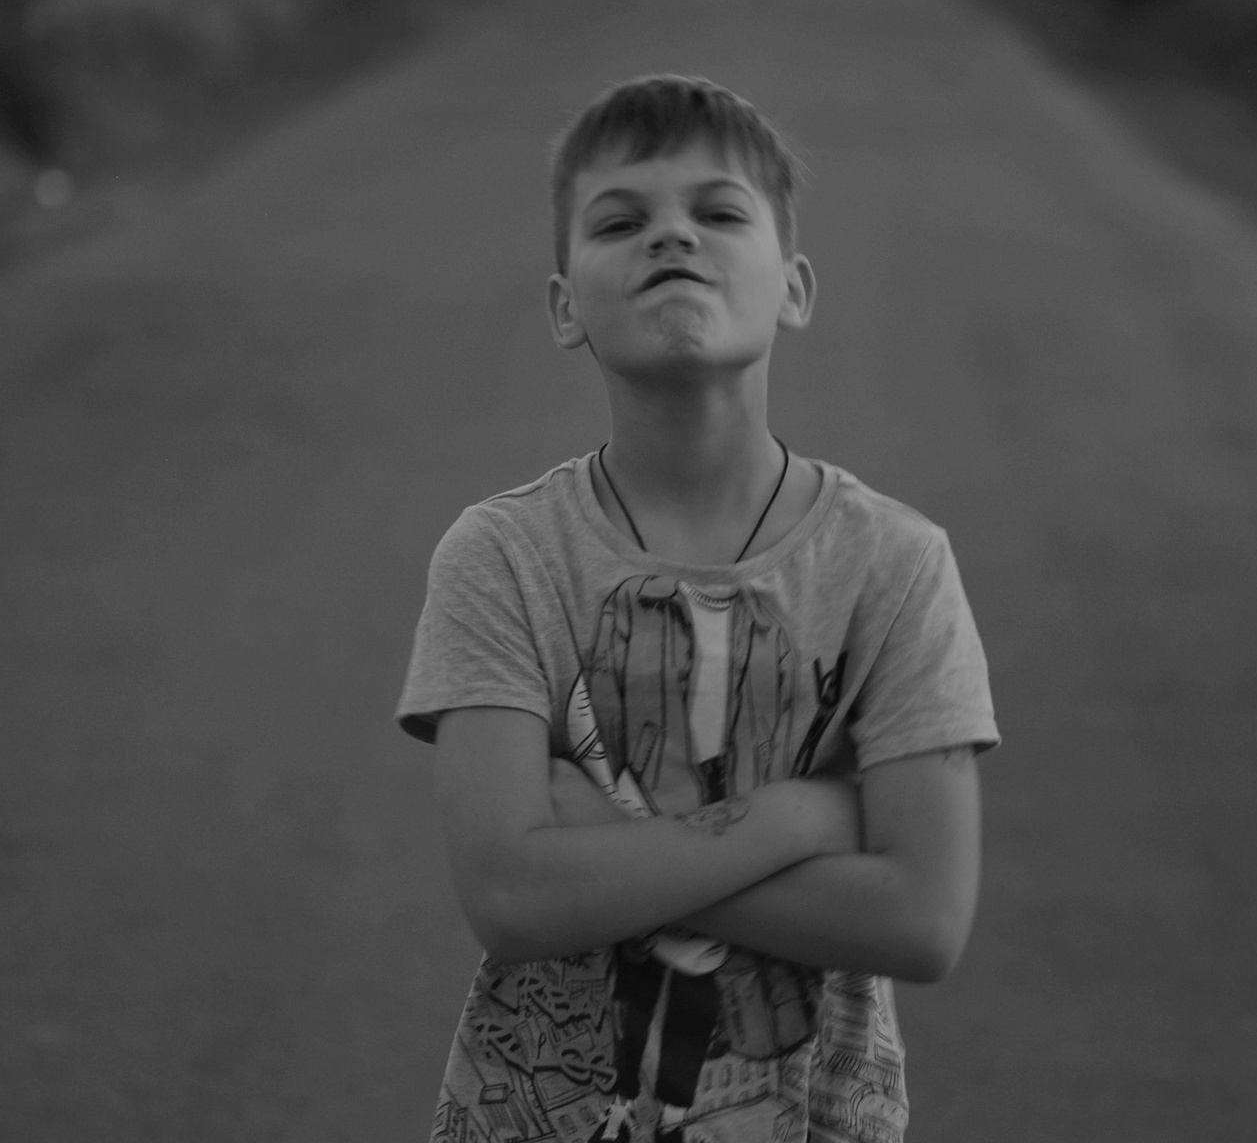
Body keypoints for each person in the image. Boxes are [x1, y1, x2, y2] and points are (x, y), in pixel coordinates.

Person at [396, 74, 999, 1143]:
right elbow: (509, 896)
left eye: (719, 213)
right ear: (564, 308)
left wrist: (605, 843)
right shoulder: (503, 555)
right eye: (619, 221)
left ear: (794, 287)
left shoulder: (894, 565)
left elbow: (923, 917)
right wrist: (803, 819)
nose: (671, 235)